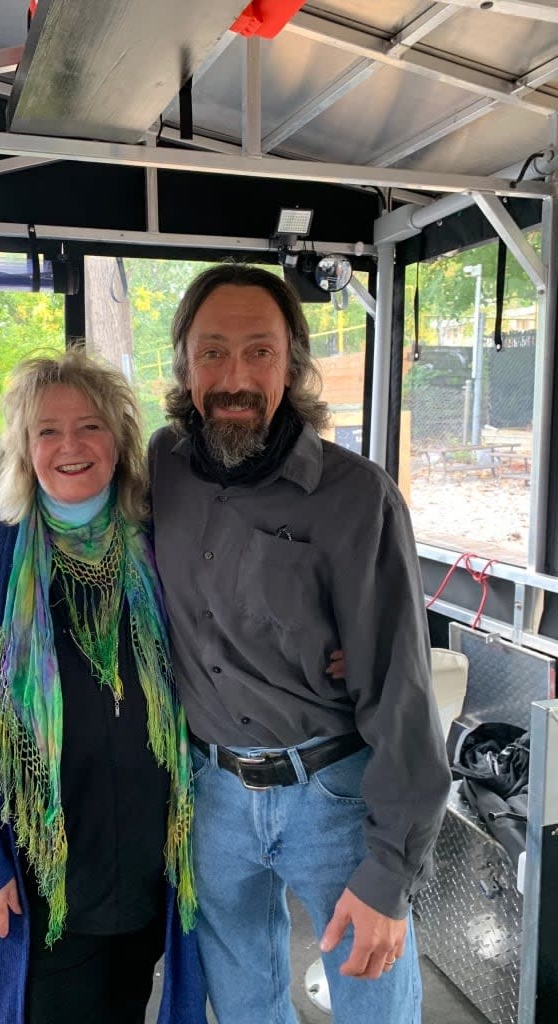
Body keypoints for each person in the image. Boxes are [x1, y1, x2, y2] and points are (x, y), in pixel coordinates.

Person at [148, 263, 452, 1024]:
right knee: (245, 1009)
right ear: (185, 363)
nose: (236, 376)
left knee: (375, 1007)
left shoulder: (358, 497)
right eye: (213, 352)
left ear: (293, 364)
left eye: (260, 352)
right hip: (212, 795)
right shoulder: (159, 470)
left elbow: (400, 690)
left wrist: (391, 869)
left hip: (335, 797)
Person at [0, 351, 199, 1024]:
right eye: (47, 431)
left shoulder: (155, 541)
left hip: (137, 874)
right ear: (23, 448)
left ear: (121, 439)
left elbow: (224, 630)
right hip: (38, 883)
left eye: (90, 426)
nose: (70, 446)